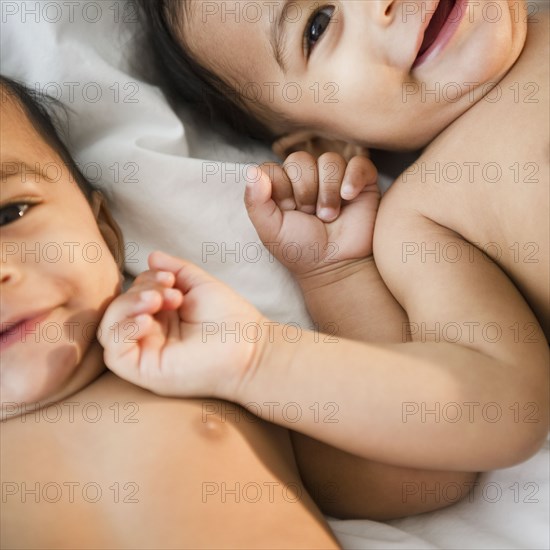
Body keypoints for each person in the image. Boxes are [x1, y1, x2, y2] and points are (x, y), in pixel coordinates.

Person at [123, 0, 549, 519]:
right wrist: (265, 353)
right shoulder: (426, 217)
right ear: (327, 141)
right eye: (318, 25)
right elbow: (480, 417)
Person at [0, 76, 340, 549]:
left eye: (9, 214)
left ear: (104, 232)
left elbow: (402, 476)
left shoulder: (202, 363)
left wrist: (335, 276)